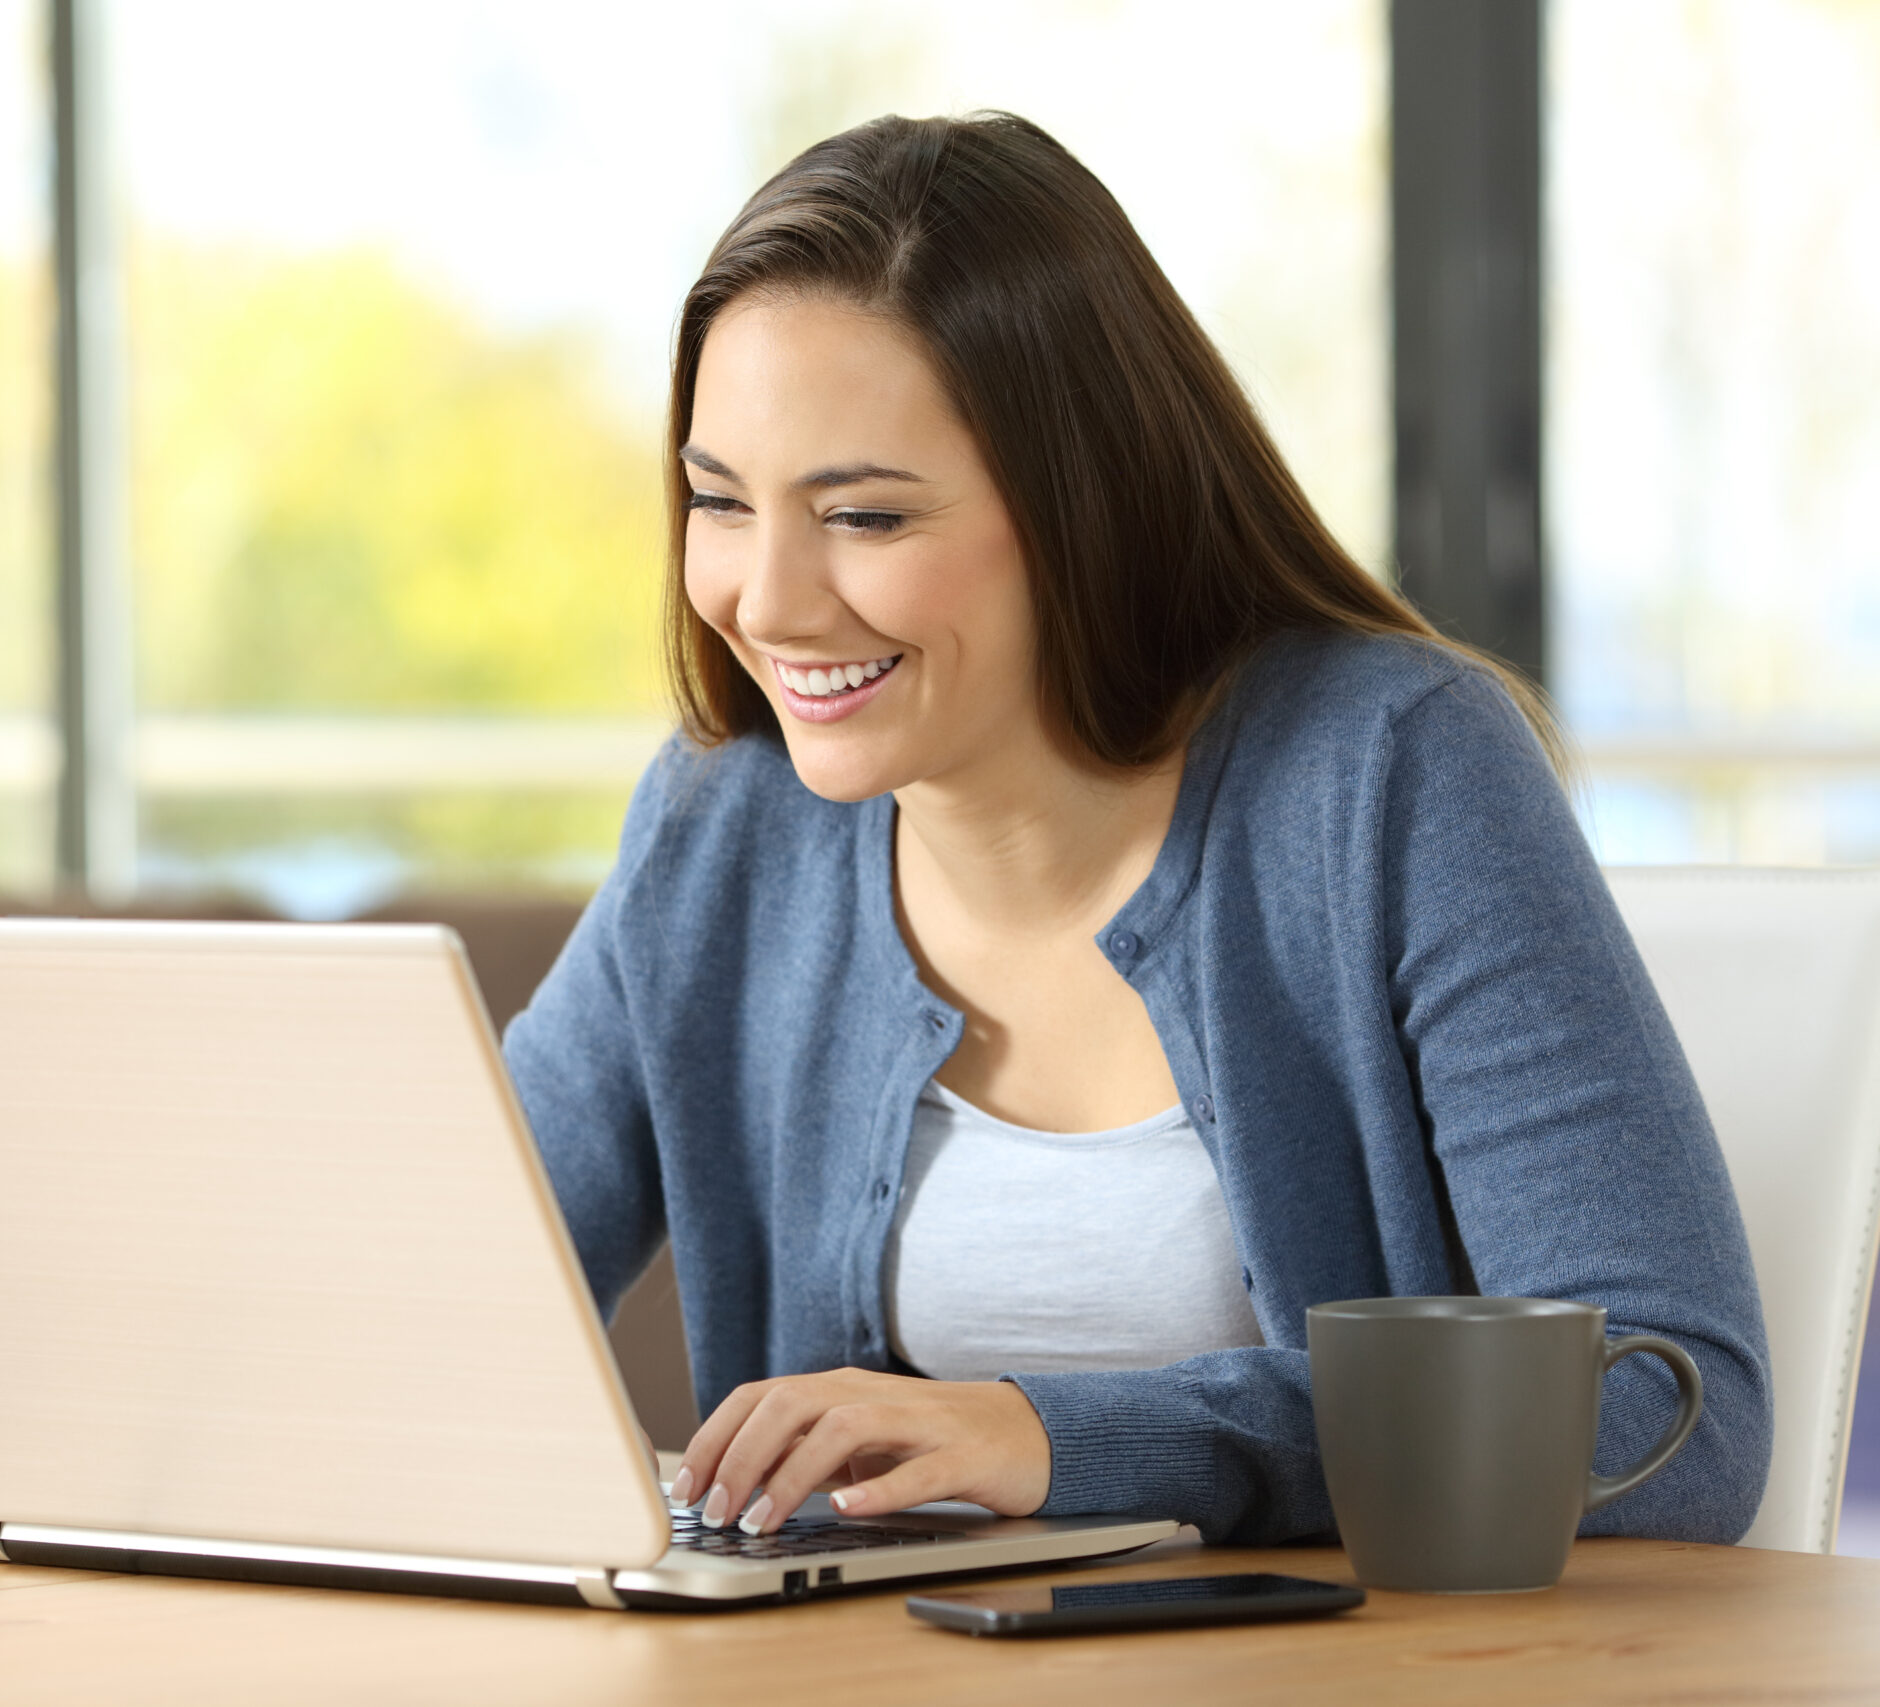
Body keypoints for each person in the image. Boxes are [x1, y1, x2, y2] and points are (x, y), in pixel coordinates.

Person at [500, 111, 1770, 1546]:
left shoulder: (1390, 776)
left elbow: (1676, 1420)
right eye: (718, 502)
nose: (768, 602)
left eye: (863, 516)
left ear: (1081, 505)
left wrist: (1052, 1435)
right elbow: (446, 1279)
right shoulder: (722, 824)